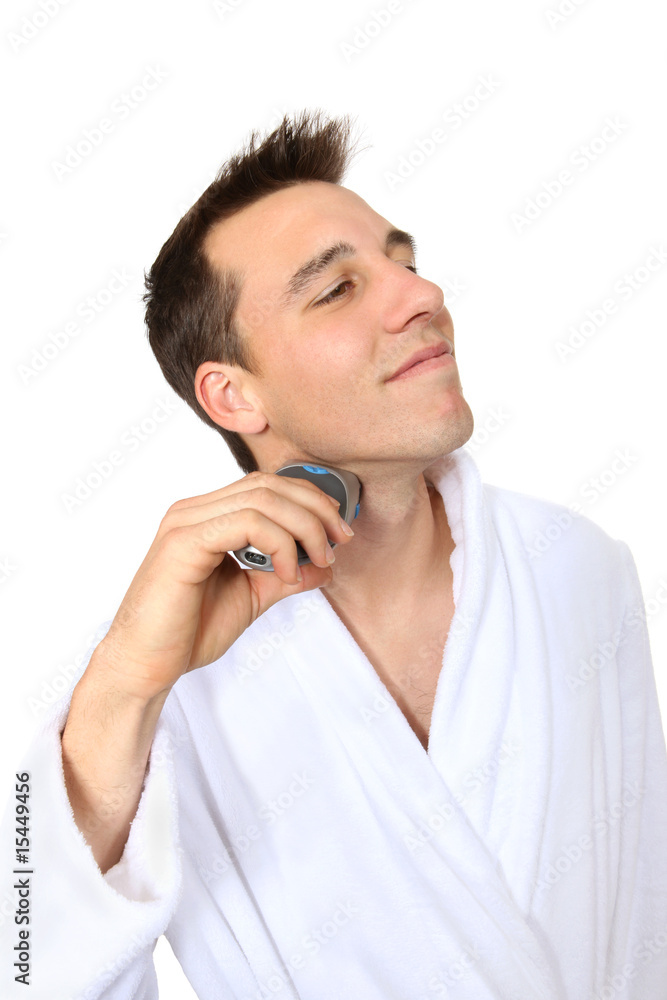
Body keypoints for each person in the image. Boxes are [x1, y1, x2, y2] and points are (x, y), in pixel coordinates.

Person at [1, 109, 666, 1000]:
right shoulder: (153, 673)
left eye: (404, 262)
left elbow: (645, 917)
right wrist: (126, 683)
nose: (421, 296)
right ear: (233, 396)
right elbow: (26, 964)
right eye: (336, 290)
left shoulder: (575, 567)